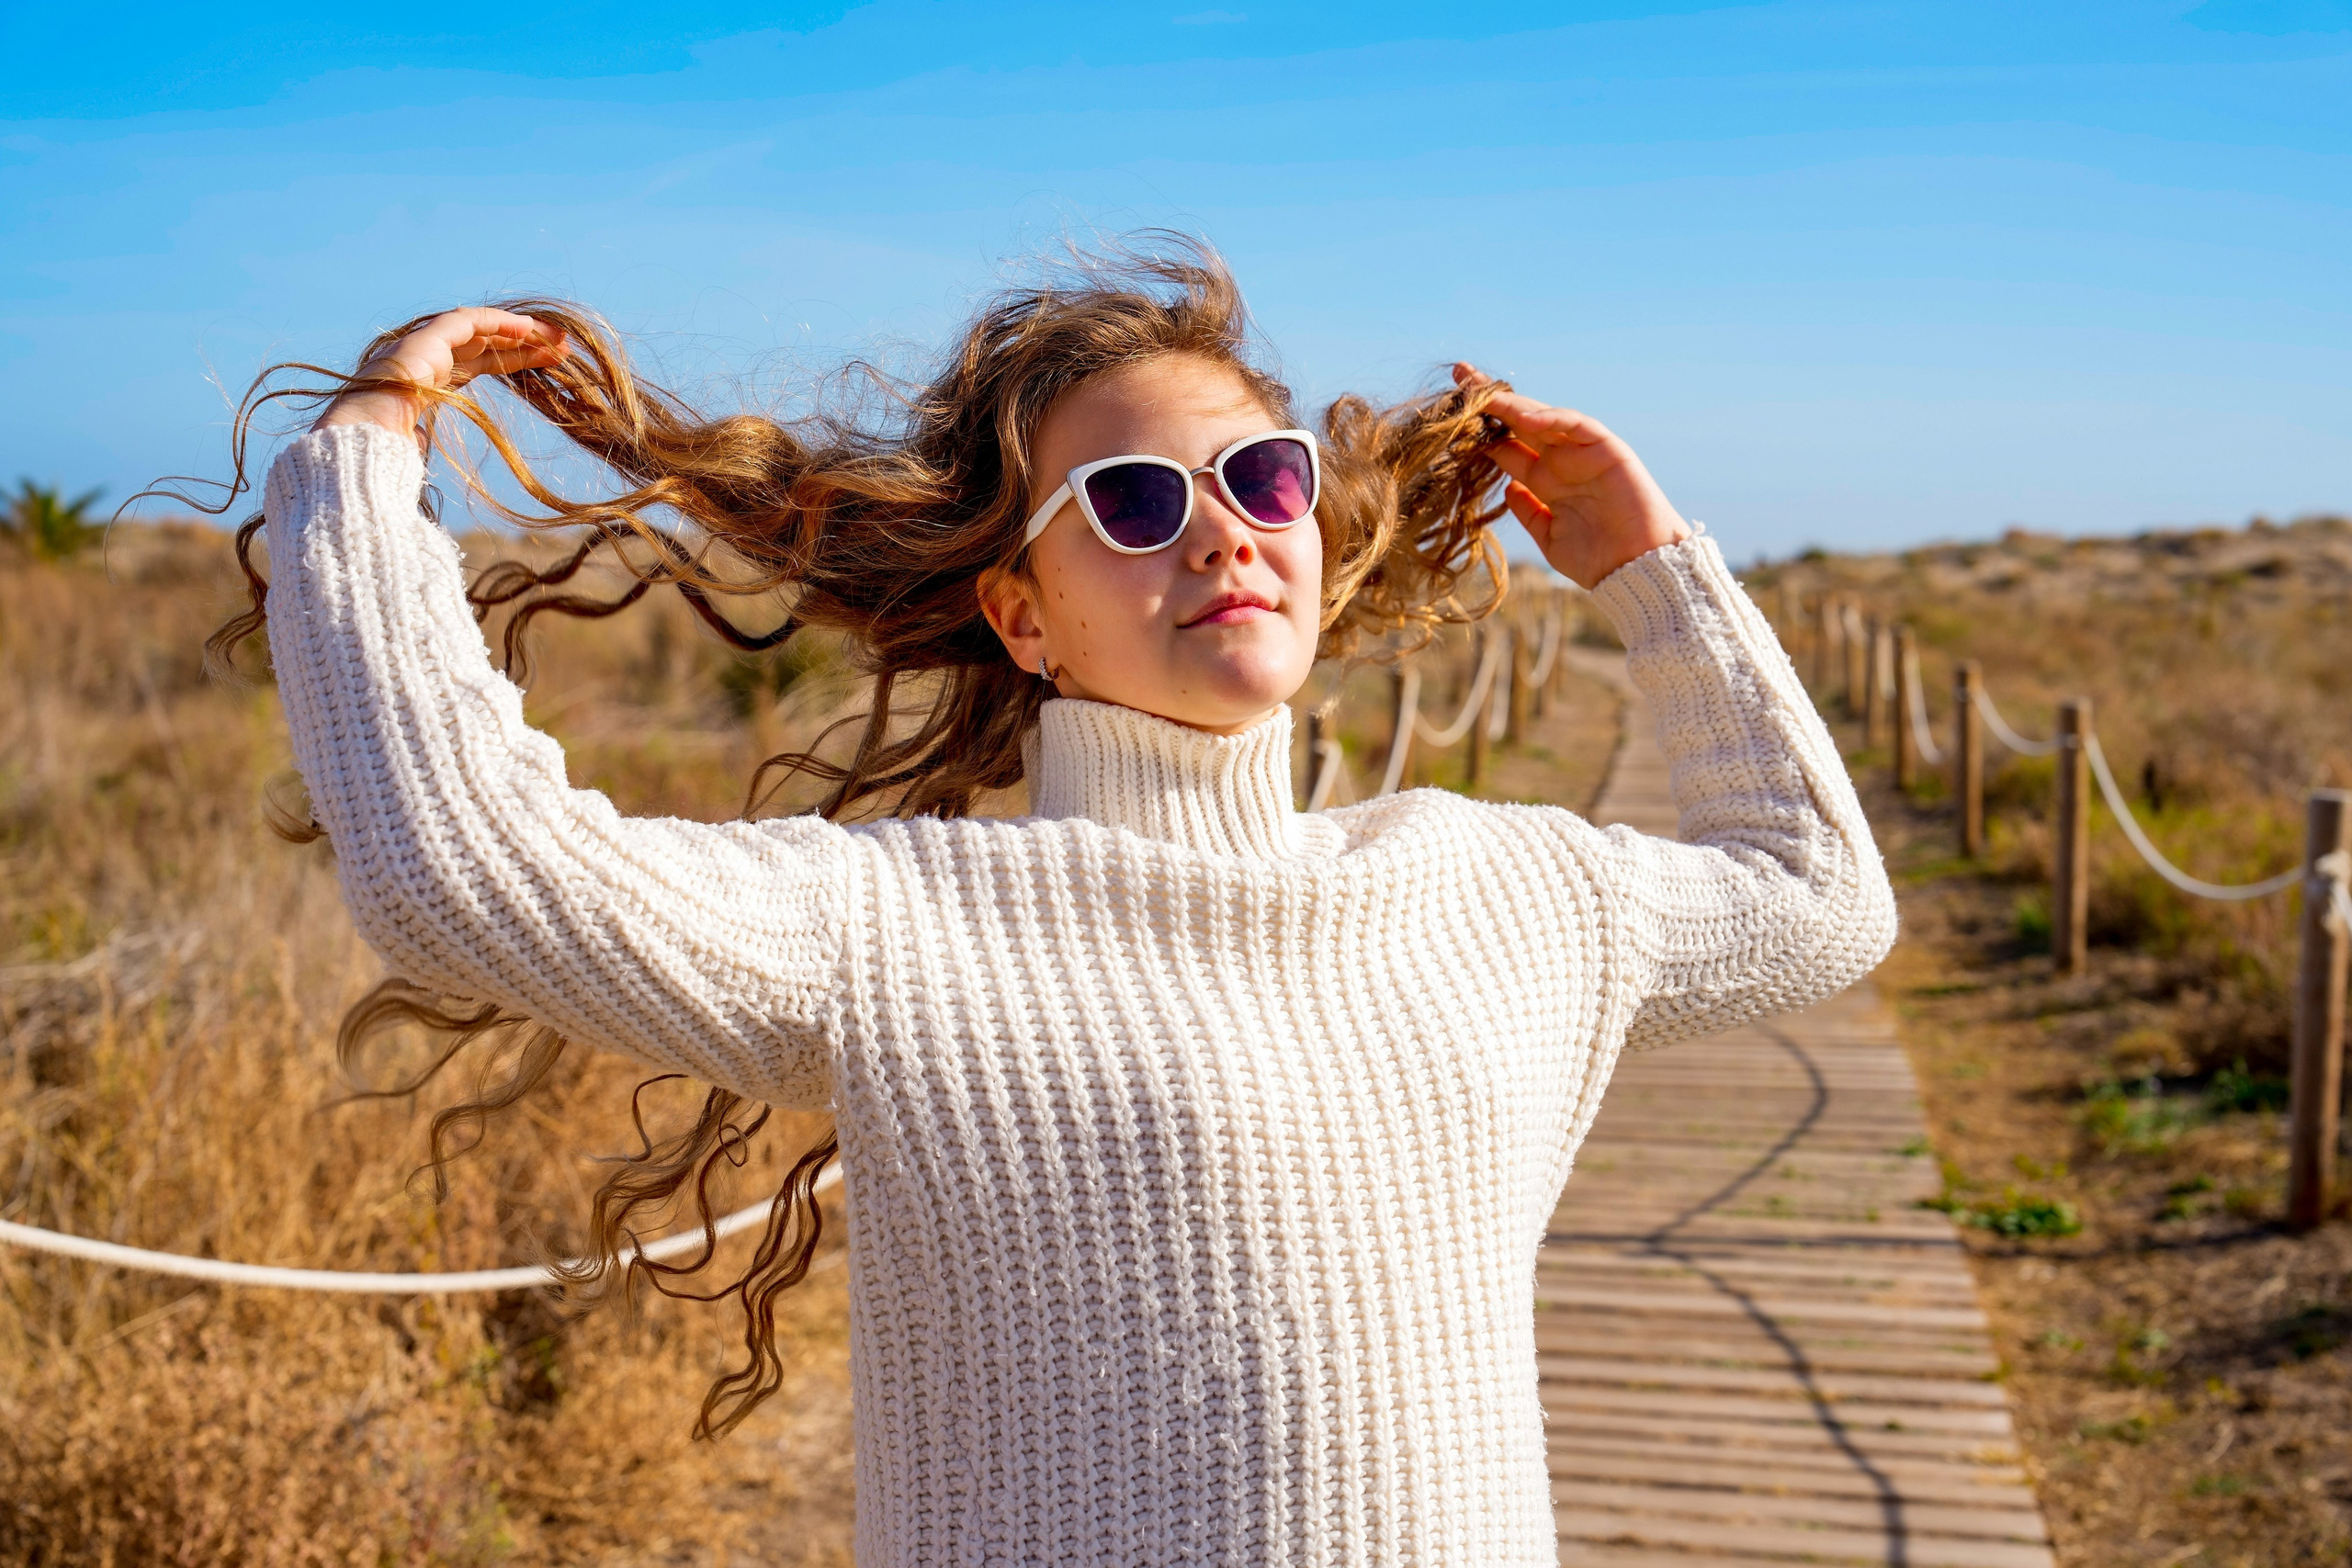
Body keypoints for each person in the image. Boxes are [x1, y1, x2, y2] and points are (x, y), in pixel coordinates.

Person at [240, 243, 1894, 1566]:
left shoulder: (1496, 885)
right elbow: (461, 874)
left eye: (1262, 479)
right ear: (1023, 617)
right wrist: (371, 453)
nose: (1225, 536)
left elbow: (1818, 892)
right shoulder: (901, 931)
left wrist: (1650, 565)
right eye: (1136, 503)